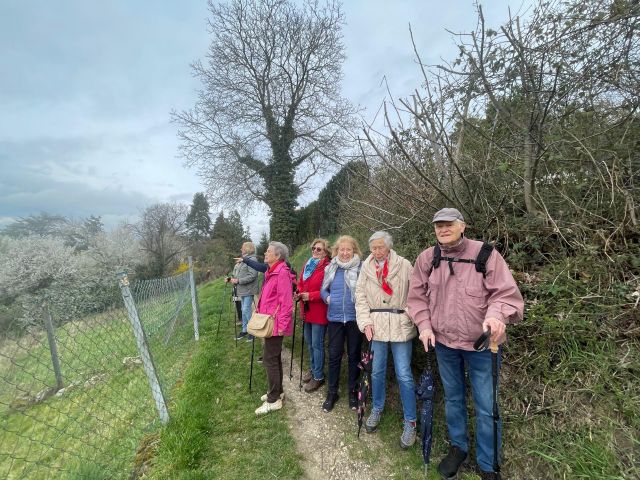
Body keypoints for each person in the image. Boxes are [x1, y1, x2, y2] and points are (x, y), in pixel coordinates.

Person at [407, 208, 524, 480]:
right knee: (453, 399)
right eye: (438, 226)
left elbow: (505, 294)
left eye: (449, 224)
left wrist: (496, 317)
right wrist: (424, 326)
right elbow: (416, 298)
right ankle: (458, 448)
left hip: (483, 346)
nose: (443, 229)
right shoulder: (427, 258)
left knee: (487, 405)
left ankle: (488, 463)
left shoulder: (486, 254)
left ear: (463, 226)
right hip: (445, 344)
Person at [355, 231, 418, 450]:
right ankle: (377, 408)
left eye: (381, 247)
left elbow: (416, 294)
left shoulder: (405, 265)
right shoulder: (366, 268)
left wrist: (409, 314)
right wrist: (365, 323)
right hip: (377, 326)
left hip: (401, 324)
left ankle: (410, 421)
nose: (377, 251)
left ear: (389, 247)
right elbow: (360, 297)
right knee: (376, 371)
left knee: (404, 374)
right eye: (373, 247)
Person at [320, 235, 363, 412]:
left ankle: (353, 392)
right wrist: (327, 298)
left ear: (354, 250)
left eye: (348, 249)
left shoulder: (361, 268)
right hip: (335, 319)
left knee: (354, 356)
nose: (345, 253)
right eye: (342, 249)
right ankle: (332, 392)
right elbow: (323, 289)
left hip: (355, 318)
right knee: (334, 356)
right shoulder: (331, 267)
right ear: (337, 251)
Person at [253, 241, 294, 415]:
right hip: (270, 321)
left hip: (276, 324)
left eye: (268, 251)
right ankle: (278, 392)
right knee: (274, 358)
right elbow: (269, 297)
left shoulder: (281, 273)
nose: (265, 253)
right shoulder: (271, 272)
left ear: (277, 256)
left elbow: (286, 303)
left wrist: (282, 326)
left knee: (269, 359)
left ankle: (273, 400)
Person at [296, 238, 331, 393]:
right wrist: (298, 293)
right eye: (314, 248)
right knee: (310, 343)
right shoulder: (308, 264)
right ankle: (313, 368)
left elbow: (328, 290)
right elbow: (300, 283)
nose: (315, 251)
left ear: (326, 252)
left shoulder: (328, 267)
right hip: (306, 309)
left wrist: (310, 295)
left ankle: (318, 376)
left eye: (319, 249)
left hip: (319, 311)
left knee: (317, 345)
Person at [228, 242, 259, 341]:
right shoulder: (244, 259)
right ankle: (245, 330)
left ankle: (252, 330)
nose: (241, 250)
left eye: (242, 248)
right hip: (242, 289)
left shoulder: (252, 260)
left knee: (246, 309)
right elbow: (239, 273)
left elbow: (253, 275)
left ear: (247, 249)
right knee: (243, 309)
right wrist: (232, 280)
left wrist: (238, 281)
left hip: (249, 289)